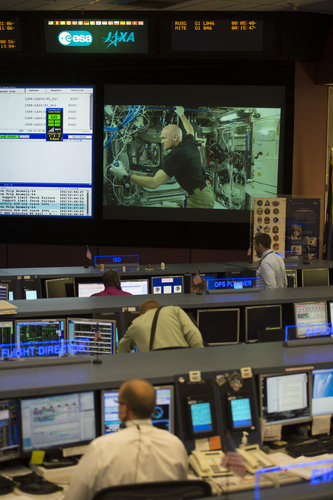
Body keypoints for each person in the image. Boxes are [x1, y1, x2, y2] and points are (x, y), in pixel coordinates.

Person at [64, 379, 188, 500]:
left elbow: (75, 497)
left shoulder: (101, 448)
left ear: (125, 409)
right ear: (153, 408)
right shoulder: (175, 444)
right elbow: (181, 489)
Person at [111, 106, 215, 209]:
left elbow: (154, 183)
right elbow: (190, 130)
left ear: (175, 137)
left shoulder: (176, 155)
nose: (161, 142)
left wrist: (126, 176)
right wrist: (181, 114)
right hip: (204, 191)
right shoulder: (188, 142)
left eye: (164, 138)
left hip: (200, 198)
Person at [117, 299, 204, 353]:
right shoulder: (174, 310)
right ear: (159, 308)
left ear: (141, 314)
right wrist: (200, 355)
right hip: (182, 357)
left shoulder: (135, 323)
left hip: (154, 365)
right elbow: (193, 333)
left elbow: (121, 349)